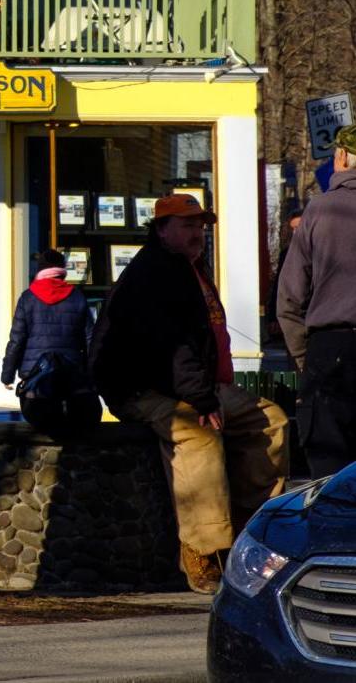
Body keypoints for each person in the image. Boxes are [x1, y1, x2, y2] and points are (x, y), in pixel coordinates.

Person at [91, 192, 287, 593]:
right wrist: (201, 399)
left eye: (200, 225)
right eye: (187, 225)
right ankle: (204, 550)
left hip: (190, 381)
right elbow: (171, 344)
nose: (197, 232)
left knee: (270, 420)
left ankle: (254, 532)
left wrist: (207, 391)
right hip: (141, 386)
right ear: (161, 229)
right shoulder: (156, 272)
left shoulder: (190, 268)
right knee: (198, 436)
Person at [278, 123, 356, 480]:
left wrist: (304, 358)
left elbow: (290, 299)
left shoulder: (319, 211)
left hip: (331, 350)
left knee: (330, 475)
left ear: (340, 157)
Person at [1, 247, 98, 438]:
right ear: (62, 270)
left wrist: (7, 375)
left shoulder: (28, 298)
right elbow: (90, 340)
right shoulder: (77, 297)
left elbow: (16, 340)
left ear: (40, 270)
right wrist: (91, 374)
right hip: (71, 382)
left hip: (37, 387)